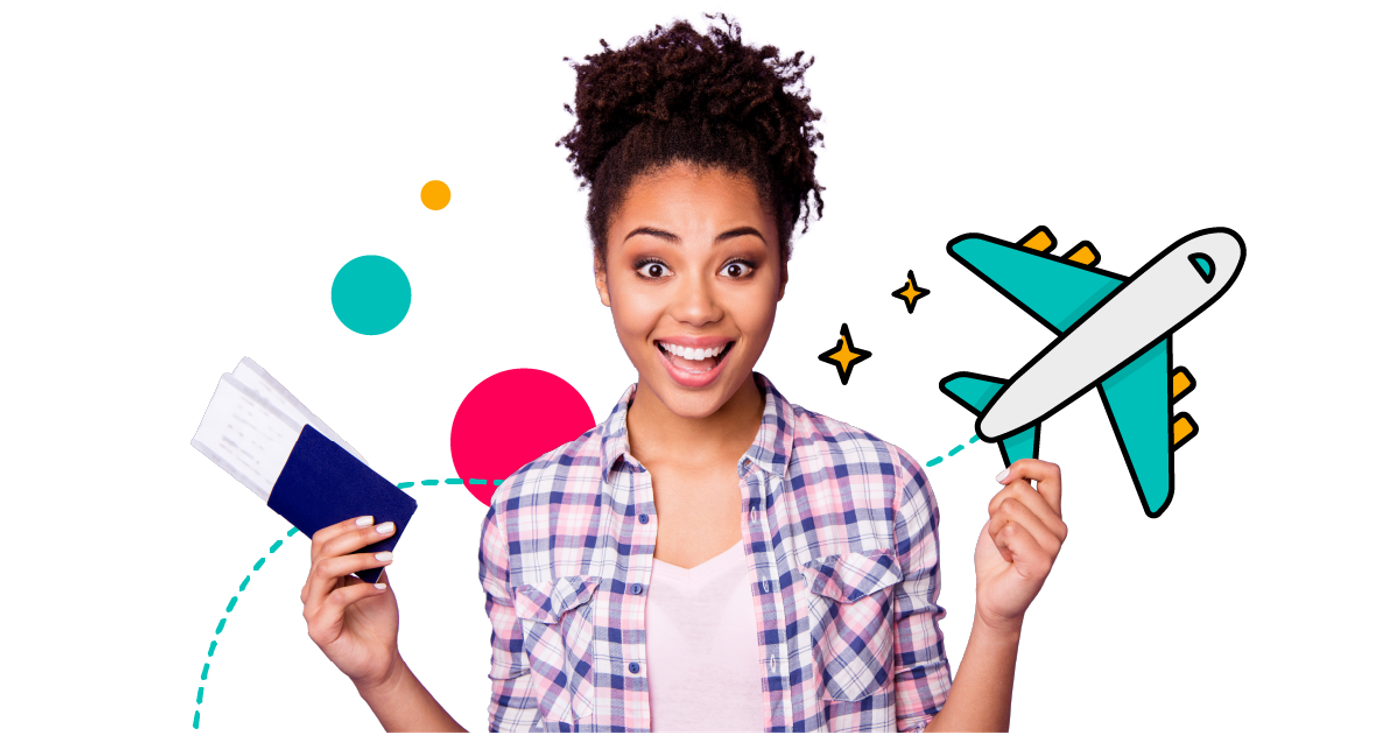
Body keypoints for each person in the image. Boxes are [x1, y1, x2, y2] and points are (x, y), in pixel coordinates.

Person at [299, 14, 1067, 733]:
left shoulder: (882, 487)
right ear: (602, 273)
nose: (695, 308)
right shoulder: (527, 514)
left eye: (736, 264)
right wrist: (383, 675)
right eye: (653, 265)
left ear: (782, 272)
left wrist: (999, 620)